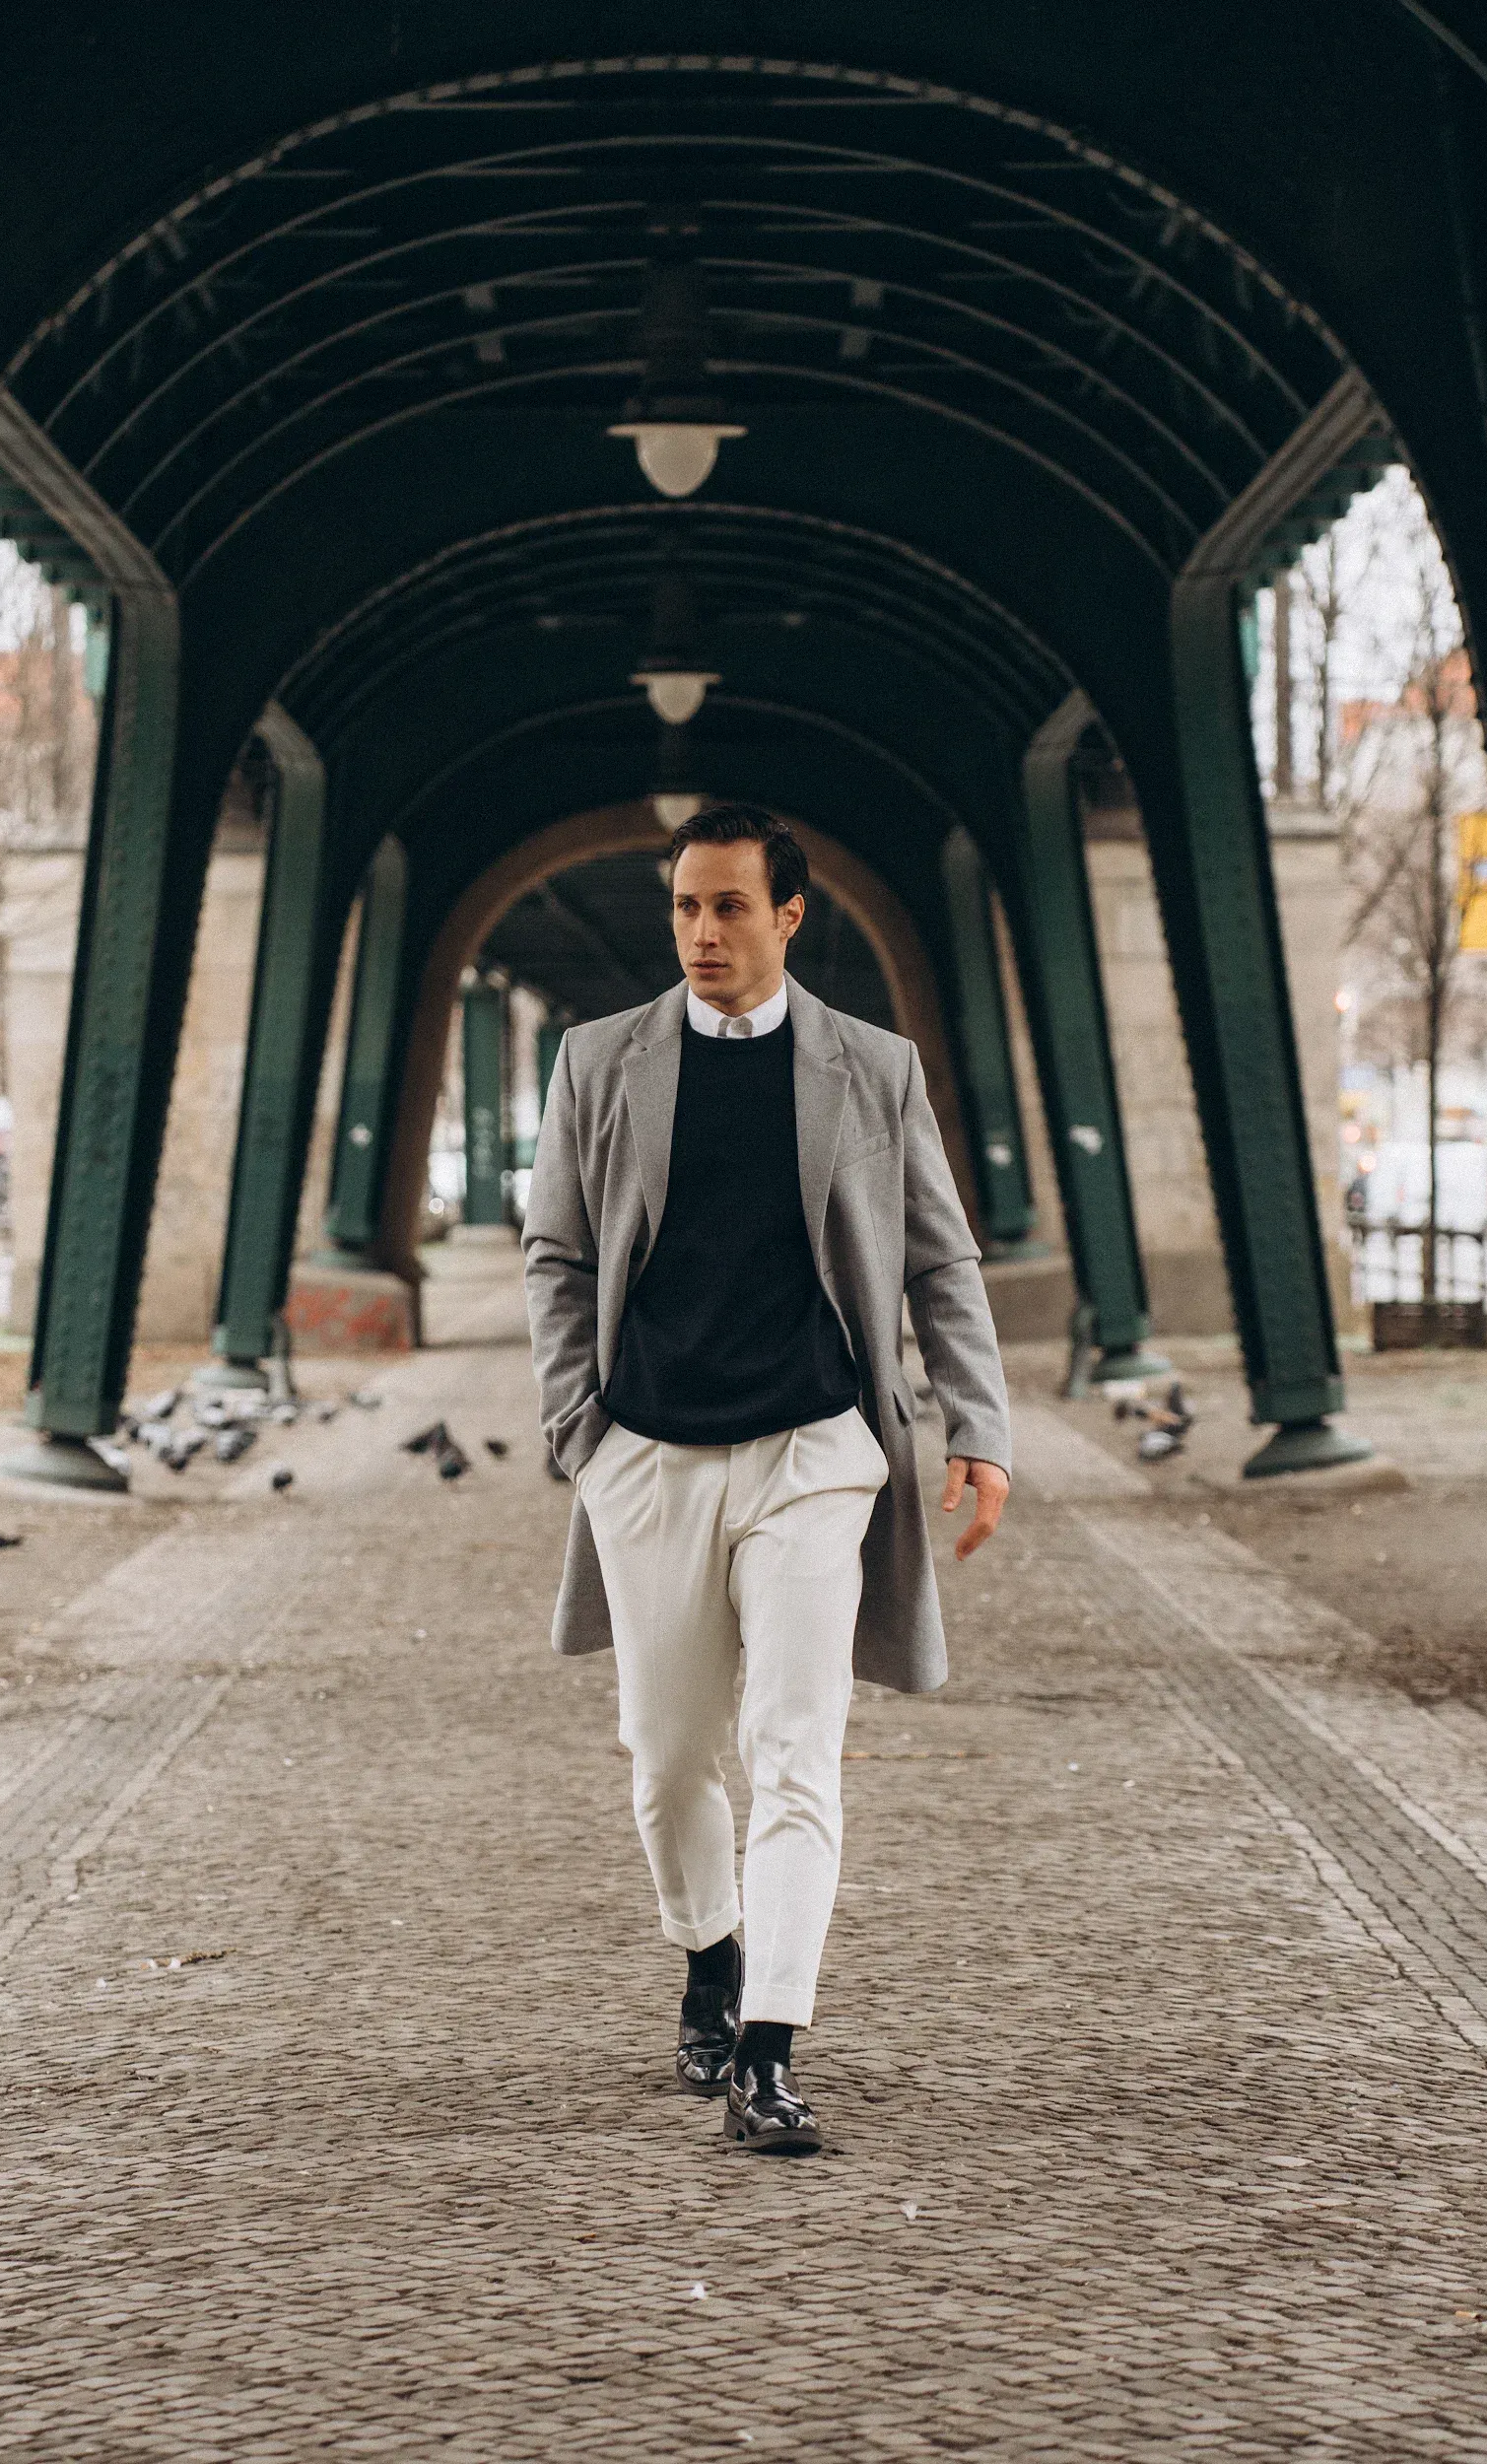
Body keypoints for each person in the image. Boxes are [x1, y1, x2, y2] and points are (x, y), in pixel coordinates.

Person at [522, 803, 1011, 2155]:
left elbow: (939, 1260)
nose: (702, 933)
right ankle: (708, 1956)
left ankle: (770, 2046)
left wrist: (978, 1427)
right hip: (649, 1455)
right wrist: (582, 1432)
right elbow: (554, 1256)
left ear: (789, 917)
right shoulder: (599, 1062)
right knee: (666, 1755)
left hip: (812, 1453)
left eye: (730, 907)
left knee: (792, 1750)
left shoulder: (871, 1069)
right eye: (685, 907)